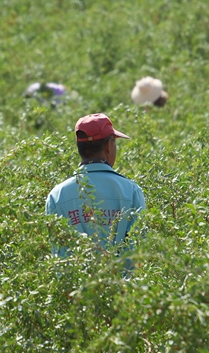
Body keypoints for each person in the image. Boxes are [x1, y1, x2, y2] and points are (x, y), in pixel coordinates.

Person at [45, 113, 146, 267]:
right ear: (108, 146)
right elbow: (138, 252)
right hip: (124, 288)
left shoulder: (57, 196)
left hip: (77, 289)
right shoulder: (131, 191)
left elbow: (59, 257)